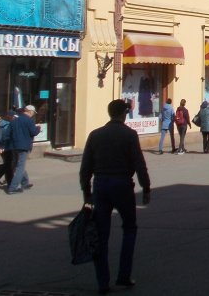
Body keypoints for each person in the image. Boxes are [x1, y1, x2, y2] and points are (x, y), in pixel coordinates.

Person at [80, 99, 151, 295]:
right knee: (129, 228)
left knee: (101, 235)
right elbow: (139, 164)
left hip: (100, 186)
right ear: (124, 114)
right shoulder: (129, 135)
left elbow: (85, 168)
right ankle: (124, 275)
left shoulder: (95, 135)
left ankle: (102, 282)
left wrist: (86, 193)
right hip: (122, 185)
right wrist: (146, 188)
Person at [6, 105, 40, 194]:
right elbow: (34, 132)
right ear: (30, 112)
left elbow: (7, 134)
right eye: (33, 113)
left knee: (18, 164)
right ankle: (13, 188)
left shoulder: (14, 120)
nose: (33, 114)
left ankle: (25, 183)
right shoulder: (29, 120)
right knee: (20, 167)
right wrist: (38, 128)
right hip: (23, 146)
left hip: (14, 146)